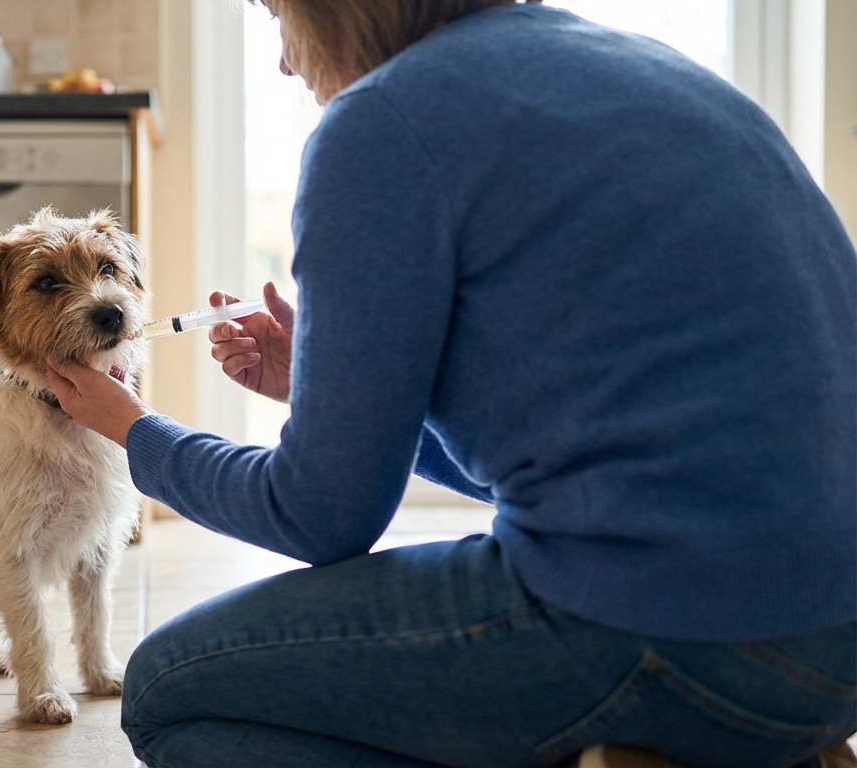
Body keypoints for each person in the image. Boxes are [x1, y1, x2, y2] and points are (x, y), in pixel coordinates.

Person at [44, 0, 857, 765]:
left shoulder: (380, 124)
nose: (287, 64)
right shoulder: (642, 67)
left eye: (280, 15)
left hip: (684, 632)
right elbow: (566, 437)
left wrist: (137, 431)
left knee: (164, 692)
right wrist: (330, 393)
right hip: (835, 641)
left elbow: (320, 516)